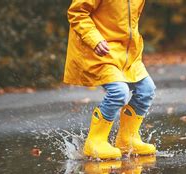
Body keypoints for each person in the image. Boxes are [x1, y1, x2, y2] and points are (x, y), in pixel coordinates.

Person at [63, 0, 156, 160]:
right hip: (99, 50)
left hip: (127, 53)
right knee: (119, 92)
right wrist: (95, 40)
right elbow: (77, 13)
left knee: (146, 90)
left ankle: (128, 140)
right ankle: (95, 142)